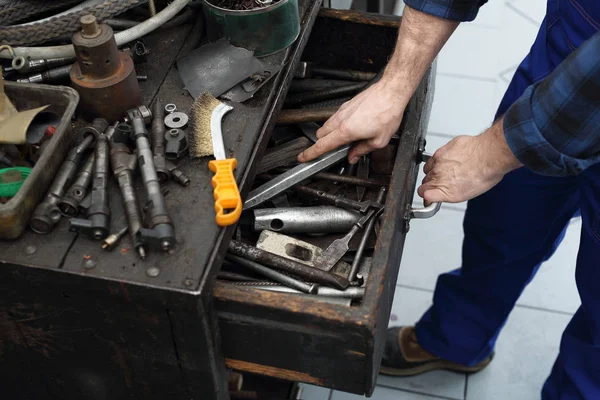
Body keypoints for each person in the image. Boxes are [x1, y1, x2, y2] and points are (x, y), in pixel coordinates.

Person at [297, 1, 600, 398]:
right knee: (505, 217)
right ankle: (456, 338)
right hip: (571, 57)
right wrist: (394, 85)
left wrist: (494, 152)